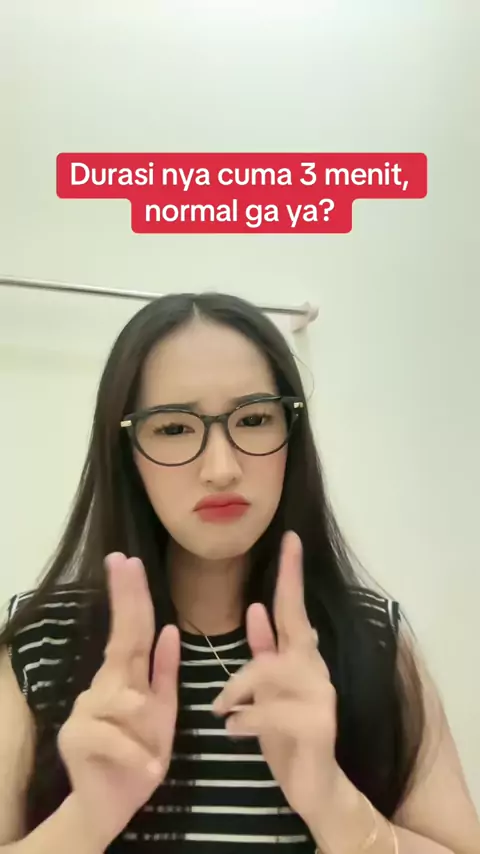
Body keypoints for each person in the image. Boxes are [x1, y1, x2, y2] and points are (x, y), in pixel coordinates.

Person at [0, 292, 478, 854]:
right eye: (173, 428)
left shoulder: (372, 638)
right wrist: (85, 821)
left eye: (253, 419)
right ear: (126, 450)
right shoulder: (40, 645)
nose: (221, 468)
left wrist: (333, 803)